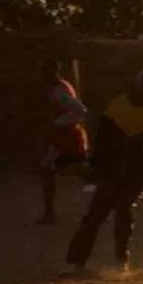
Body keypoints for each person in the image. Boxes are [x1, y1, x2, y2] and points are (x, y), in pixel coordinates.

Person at [66, 69, 143, 272]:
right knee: (95, 215)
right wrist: (96, 165)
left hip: (139, 172)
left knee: (124, 207)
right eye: (142, 86)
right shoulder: (119, 105)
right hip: (113, 169)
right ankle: (77, 261)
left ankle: (121, 257)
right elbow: (103, 137)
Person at [36, 59, 89, 225]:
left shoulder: (58, 90)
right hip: (63, 135)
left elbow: (80, 109)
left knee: (53, 169)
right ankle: (49, 212)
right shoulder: (59, 87)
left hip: (66, 135)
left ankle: (49, 213)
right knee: (57, 169)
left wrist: (58, 122)